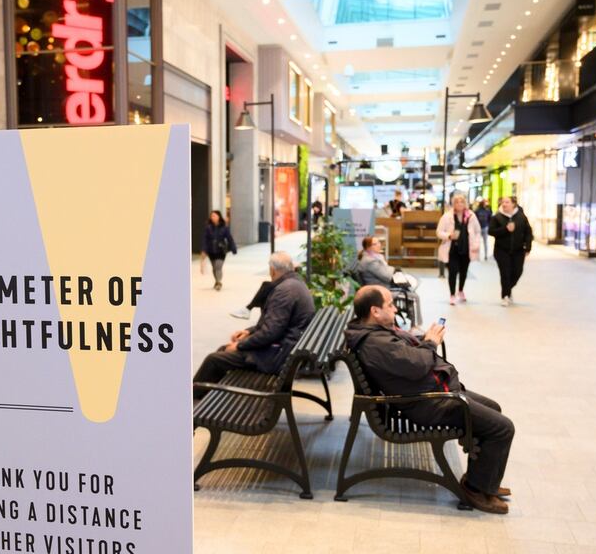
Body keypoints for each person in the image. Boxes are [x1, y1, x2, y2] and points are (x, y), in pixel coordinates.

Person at [345, 286, 515, 514]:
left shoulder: (374, 331)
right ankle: (476, 489)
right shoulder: (376, 343)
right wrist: (430, 343)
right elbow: (416, 365)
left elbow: (408, 359)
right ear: (375, 311)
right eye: (390, 305)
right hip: (428, 403)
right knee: (502, 428)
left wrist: (424, 340)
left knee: (493, 408)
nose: (395, 308)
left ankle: (484, 481)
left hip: (432, 393)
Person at [193, 252, 315, 398]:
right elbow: (276, 324)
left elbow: (271, 332)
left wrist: (240, 346)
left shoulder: (283, 291)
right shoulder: (296, 284)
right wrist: (249, 332)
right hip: (287, 348)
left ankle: (188, 401)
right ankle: (204, 398)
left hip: (278, 357)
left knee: (214, 360)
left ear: (272, 270)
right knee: (223, 351)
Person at [356, 236, 423, 328]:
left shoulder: (374, 257)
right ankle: (415, 327)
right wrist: (394, 270)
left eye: (379, 242)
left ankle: (413, 326)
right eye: (375, 243)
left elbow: (387, 272)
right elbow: (387, 276)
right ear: (368, 247)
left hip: (382, 287)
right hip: (380, 290)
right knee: (414, 297)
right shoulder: (370, 261)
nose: (379, 245)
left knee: (410, 290)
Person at [436, 194, 481, 305]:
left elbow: (477, 231)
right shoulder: (447, 216)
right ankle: (452, 294)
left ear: (465, 203)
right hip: (452, 249)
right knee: (453, 271)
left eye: (461, 202)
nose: (459, 204)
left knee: (464, 272)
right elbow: (439, 232)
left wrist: (476, 243)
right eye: (457, 202)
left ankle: (460, 290)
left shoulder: (471, 216)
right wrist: (449, 235)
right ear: (453, 203)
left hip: (466, 248)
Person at [488, 196, 533, 306]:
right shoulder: (497, 217)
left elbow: (528, 232)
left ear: (513, 204)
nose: (504, 204)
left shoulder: (521, 216)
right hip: (501, 250)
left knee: (518, 272)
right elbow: (491, 231)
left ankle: (508, 289)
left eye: (507, 202)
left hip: (518, 251)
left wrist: (528, 247)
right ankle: (505, 296)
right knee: (505, 273)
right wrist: (505, 229)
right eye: (503, 202)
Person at [201, 210, 237, 291]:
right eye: (211, 216)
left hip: (221, 251)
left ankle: (219, 282)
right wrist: (204, 250)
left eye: (214, 215)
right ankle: (217, 281)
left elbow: (229, 238)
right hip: (211, 251)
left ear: (218, 217)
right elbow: (205, 239)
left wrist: (233, 247)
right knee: (214, 268)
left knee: (218, 266)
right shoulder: (208, 228)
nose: (212, 217)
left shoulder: (224, 227)